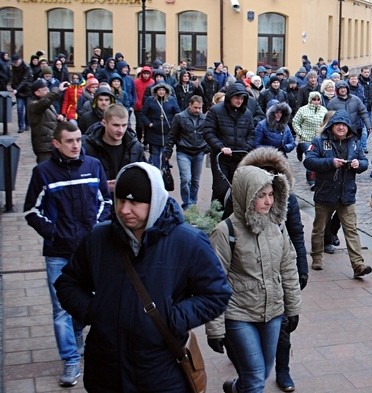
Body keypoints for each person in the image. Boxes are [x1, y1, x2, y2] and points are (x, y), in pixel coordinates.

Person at [55, 162, 231, 392]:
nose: (124, 209)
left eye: (135, 202)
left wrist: (173, 318)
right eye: (120, 200)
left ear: (155, 200)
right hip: (106, 369)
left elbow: (216, 294)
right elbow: (68, 283)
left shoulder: (188, 242)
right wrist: (94, 311)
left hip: (161, 371)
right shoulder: (98, 239)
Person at [24, 121, 112, 387]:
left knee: (90, 301)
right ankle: (70, 359)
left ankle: (77, 334)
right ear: (56, 144)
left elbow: (106, 202)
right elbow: (31, 211)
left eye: (78, 140)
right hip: (58, 253)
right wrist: (54, 233)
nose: (75, 145)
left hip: (89, 252)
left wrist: (94, 228)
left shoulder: (93, 166)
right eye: (70, 141)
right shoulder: (43, 172)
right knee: (61, 309)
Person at [207, 165, 302, 393]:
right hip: (239, 313)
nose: (268, 202)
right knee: (256, 377)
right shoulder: (225, 231)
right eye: (261, 196)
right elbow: (213, 283)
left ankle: (237, 387)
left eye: (271, 195)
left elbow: (288, 268)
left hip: (273, 311)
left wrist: (293, 307)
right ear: (247, 196)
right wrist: (215, 328)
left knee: (264, 370)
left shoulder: (277, 226)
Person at [231, 147, 309, 392]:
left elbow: (295, 233)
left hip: (277, 275)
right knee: (252, 353)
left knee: (281, 329)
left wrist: (301, 267)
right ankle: (244, 378)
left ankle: (283, 369)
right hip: (247, 281)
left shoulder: (287, 201)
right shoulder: (237, 201)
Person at [303, 110, 371, 276]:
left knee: (351, 229)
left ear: (349, 127)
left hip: (346, 195)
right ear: (332, 126)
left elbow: (364, 162)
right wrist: (331, 162)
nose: (341, 127)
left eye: (344, 125)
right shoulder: (320, 141)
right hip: (325, 193)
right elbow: (309, 161)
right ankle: (317, 257)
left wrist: (359, 164)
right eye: (338, 124)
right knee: (319, 228)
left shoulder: (354, 143)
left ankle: (358, 265)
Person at [204, 83, 256, 204]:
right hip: (221, 157)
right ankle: (216, 212)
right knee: (221, 189)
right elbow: (208, 132)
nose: (239, 101)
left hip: (239, 157)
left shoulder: (247, 113)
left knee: (237, 190)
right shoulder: (216, 111)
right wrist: (221, 147)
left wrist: (247, 146)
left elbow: (252, 133)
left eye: (242, 98)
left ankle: (232, 214)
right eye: (237, 98)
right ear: (230, 97)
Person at [83, 104, 147, 193]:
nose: (121, 130)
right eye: (116, 125)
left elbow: (144, 177)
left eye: (124, 125)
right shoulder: (87, 147)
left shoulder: (135, 147)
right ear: (104, 123)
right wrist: (102, 187)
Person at [162, 95, 207, 209]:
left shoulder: (204, 118)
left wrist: (206, 148)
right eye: (195, 107)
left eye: (200, 108)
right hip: (184, 152)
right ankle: (187, 203)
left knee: (195, 181)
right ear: (189, 105)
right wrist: (168, 153)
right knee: (186, 179)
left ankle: (193, 202)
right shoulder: (180, 117)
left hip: (199, 152)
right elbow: (172, 135)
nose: (198, 110)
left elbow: (208, 134)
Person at [28, 78, 68, 163]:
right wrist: (58, 90)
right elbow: (45, 102)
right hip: (44, 147)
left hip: (52, 144)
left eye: (48, 89)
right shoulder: (33, 105)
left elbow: (52, 121)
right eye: (45, 90)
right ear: (37, 93)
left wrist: (60, 119)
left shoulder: (48, 105)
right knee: (44, 168)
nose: (48, 91)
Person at [292, 91, 327, 187]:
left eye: (318, 99)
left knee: (320, 156)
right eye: (314, 99)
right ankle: (311, 179)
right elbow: (295, 122)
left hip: (319, 138)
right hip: (306, 138)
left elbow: (326, 123)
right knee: (311, 155)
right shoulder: (303, 110)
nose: (316, 101)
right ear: (310, 100)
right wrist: (301, 133)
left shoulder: (324, 110)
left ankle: (319, 175)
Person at [10, 54, 33, 132]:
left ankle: (27, 124)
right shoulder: (14, 67)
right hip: (18, 91)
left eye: (16, 62)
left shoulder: (27, 67)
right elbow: (13, 77)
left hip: (27, 91)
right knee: (20, 109)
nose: (15, 64)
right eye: (14, 62)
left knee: (28, 109)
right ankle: (21, 127)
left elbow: (25, 80)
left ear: (20, 60)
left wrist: (16, 89)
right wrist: (14, 87)